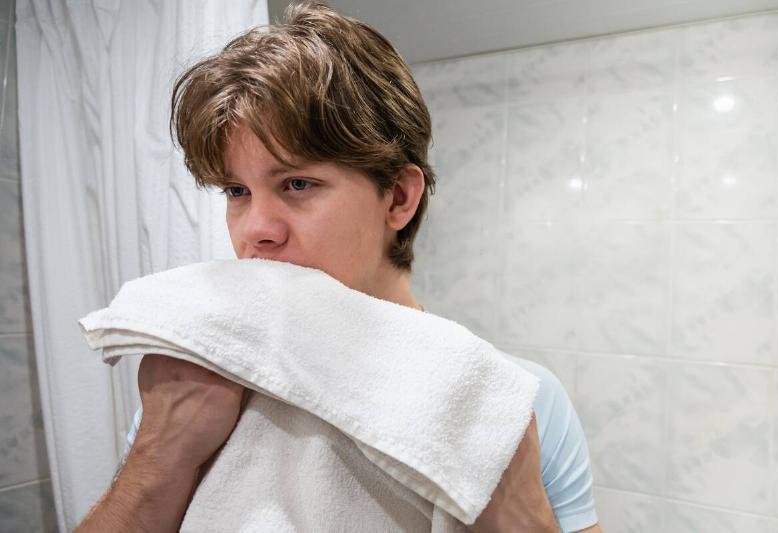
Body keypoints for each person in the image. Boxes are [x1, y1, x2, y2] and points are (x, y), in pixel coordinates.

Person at [75, 2, 602, 532]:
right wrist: (157, 457)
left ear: (397, 197)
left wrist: (518, 512)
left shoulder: (506, 402)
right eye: (236, 191)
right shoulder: (195, 379)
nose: (256, 228)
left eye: (297, 184)